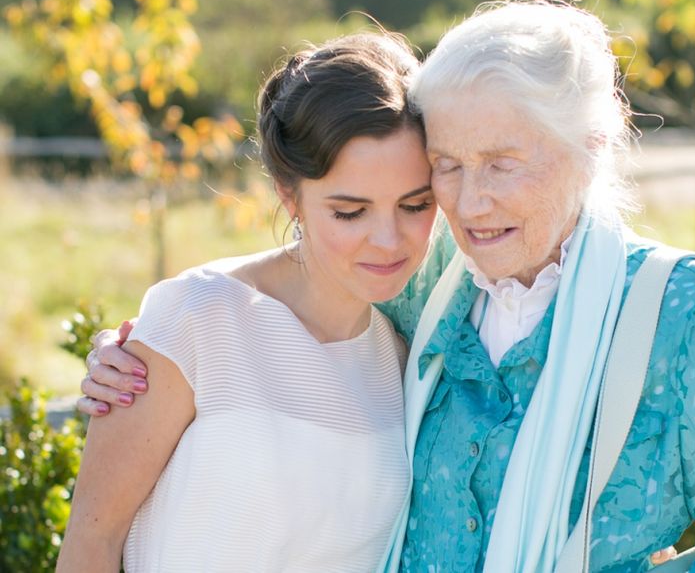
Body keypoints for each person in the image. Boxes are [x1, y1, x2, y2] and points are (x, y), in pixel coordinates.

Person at [78, 0, 695, 571]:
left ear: (588, 147)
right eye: (447, 165)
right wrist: (151, 346)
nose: (469, 205)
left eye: (501, 163)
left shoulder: (683, 313)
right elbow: (312, 273)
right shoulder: (427, 286)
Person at [57, 31, 438, 572]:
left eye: (415, 204)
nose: (388, 239)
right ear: (290, 195)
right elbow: (91, 543)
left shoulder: (403, 358)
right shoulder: (194, 318)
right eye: (350, 211)